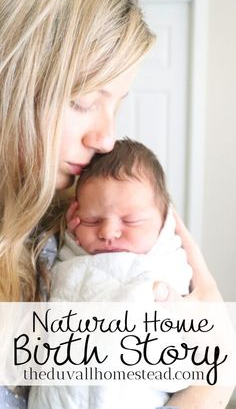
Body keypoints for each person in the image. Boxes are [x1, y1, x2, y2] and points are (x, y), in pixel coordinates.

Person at [0, 0, 233, 408]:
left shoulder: (54, 237)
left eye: (117, 105)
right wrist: (208, 390)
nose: (105, 138)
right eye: (82, 100)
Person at [28, 138, 193, 409]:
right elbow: (64, 275)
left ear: (164, 221)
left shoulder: (167, 267)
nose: (107, 233)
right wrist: (72, 236)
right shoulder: (70, 258)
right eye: (91, 220)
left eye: (130, 221)